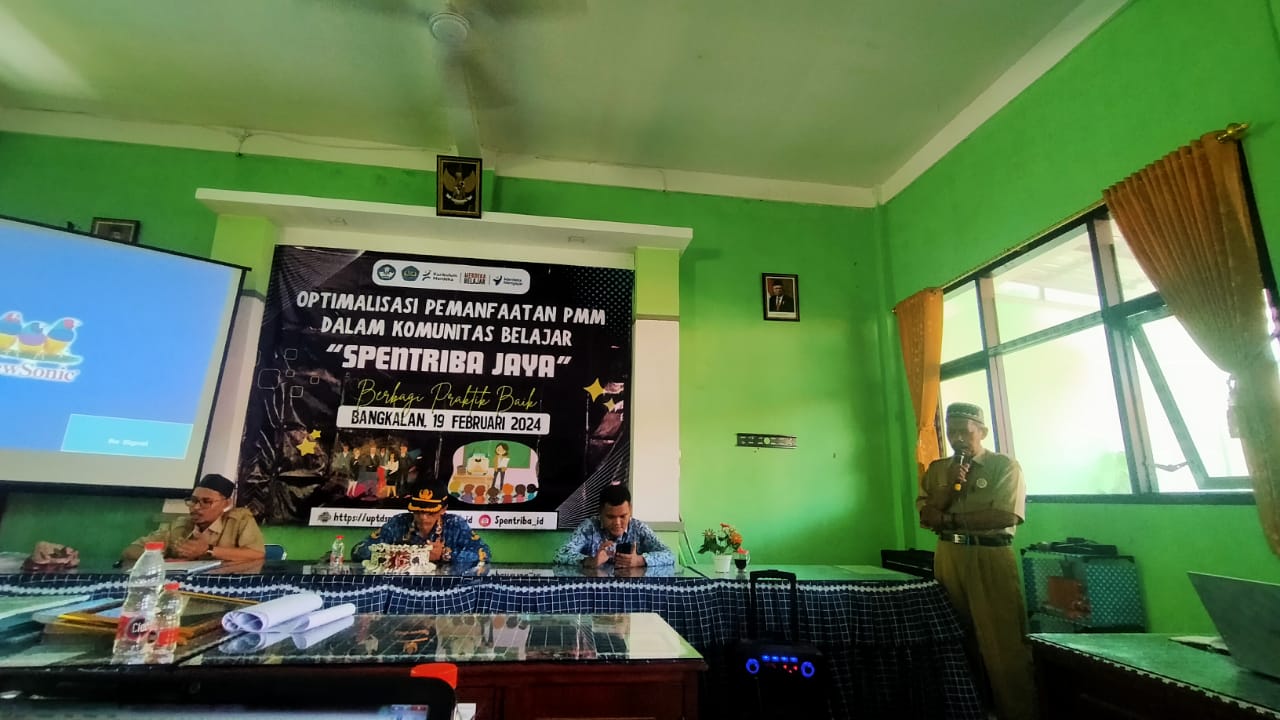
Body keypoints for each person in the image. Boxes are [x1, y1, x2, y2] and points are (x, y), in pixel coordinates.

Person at [916, 402, 1036, 720]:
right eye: (951, 431)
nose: (957, 438)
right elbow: (926, 516)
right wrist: (948, 488)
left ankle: (1017, 712)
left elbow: (1006, 514)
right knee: (955, 639)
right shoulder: (938, 469)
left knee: (1002, 644)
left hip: (989, 555)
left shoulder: (1004, 466)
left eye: (964, 432)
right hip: (949, 556)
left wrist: (949, 520)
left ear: (981, 432)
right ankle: (970, 710)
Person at [122, 474, 266, 563]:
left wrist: (208, 550)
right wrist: (163, 561)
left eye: (206, 502)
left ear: (226, 504)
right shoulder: (180, 525)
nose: (196, 507)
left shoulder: (239, 520)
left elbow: (256, 553)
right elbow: (131, 550)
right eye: (193, 500)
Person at [351, 479, 491, 565]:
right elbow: (358, 551)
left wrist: (445, 554)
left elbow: (484, 553)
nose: (423, 517)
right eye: (418, 511)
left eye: (430, 512)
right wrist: (396, 554)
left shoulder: (455, 524)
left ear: (443, 509)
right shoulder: (398, 523)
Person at [553, 483, 674, 568]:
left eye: (623, 516)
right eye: (610, 517)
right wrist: (588, 561)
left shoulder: (639, 529)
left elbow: (669, 555)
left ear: (630, 510)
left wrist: (640, 560)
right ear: (600, 512)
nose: (617, 523)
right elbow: (560, 555)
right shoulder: (589, 527)